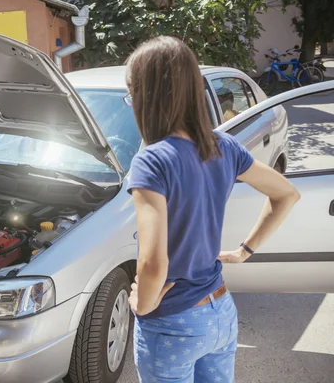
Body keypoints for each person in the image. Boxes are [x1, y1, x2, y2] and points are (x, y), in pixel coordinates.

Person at [124, 36, 300, 383]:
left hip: (173, 322)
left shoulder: (151, 161)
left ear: (147, 96)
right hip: (220, 312)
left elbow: (154, 262)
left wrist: (141, 305)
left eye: (131, 93)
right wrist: (244, 251)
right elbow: (287, 194)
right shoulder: (223, 146)